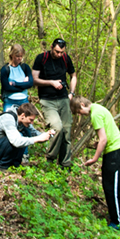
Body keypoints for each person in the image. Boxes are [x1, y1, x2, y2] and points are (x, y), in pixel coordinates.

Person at [70, 96, 120, 229]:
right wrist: (99, 143)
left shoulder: (95, 114)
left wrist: (95, 158)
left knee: (111, 188)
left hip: (115, 151)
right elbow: (106, 134)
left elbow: (103, 140)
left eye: (79, 112)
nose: (80, 115)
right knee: (109, 186)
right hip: (114, 150)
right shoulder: (99, 108)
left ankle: (118, 221)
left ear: (83, 105)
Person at [32, 38, 77, 168]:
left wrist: (71, 93)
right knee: (57, 128)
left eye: (61, 52)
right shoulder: (42, 58)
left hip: (63, 98)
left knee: (67, 131)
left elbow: (73, 76)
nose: (59, 54)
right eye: (57, 51)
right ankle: (50, 158)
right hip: (47, 99)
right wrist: (51, 82)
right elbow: (34, 79)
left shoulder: (66, 59)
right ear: (51, 47)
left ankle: (65, 163)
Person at [0, 103, 55, 170]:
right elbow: (16, 141)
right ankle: (3, 167)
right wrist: (37, 139)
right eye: (30, 120)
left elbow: (34, 133)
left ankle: (15, 165)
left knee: (25, 133)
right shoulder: (8, 119)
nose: (31, 123)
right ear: (23, 115)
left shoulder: (23, 122)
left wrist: (46, 134)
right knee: (17, 138)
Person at [0, 44, 34, 112]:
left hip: (24, 100)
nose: (19, 58)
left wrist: (14, 83)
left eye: (21, 56)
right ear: (12, 55)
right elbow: (6, 87)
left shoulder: (25, 67)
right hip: (9, 100)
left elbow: (30, 83)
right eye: (17, 56)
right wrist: (23, 86)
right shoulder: (5, 69)